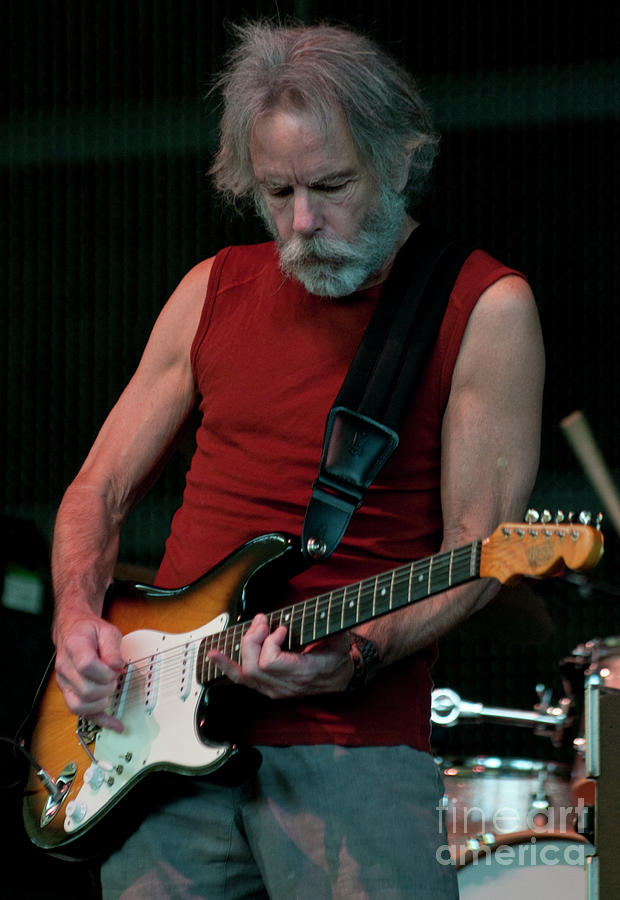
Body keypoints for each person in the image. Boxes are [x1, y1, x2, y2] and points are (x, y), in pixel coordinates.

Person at [50, 20, 544, 899]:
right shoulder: (212, 286)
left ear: (399, 160)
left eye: (331, 185)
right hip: (152, 749)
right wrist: (77, 620)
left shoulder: (484, 304)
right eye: (276, 193)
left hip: (352, 757)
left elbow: (481, 548)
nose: (303, 223)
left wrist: (358, 651)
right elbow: (101, 487)